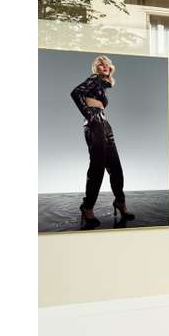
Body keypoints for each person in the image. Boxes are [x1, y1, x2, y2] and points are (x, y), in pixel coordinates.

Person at [70, 55, 134, 230]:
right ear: (96, 68)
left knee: (116, 168)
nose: (105, 66)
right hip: (94, 123)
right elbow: (75, 92)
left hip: (104, 124)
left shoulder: (100, 83)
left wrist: (108, 80)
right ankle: (87, 207)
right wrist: (88, 115)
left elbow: (106, 84)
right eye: (101, 64)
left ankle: (120, 203)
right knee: (97, 167)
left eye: (107, 64)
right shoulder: (93, 79)